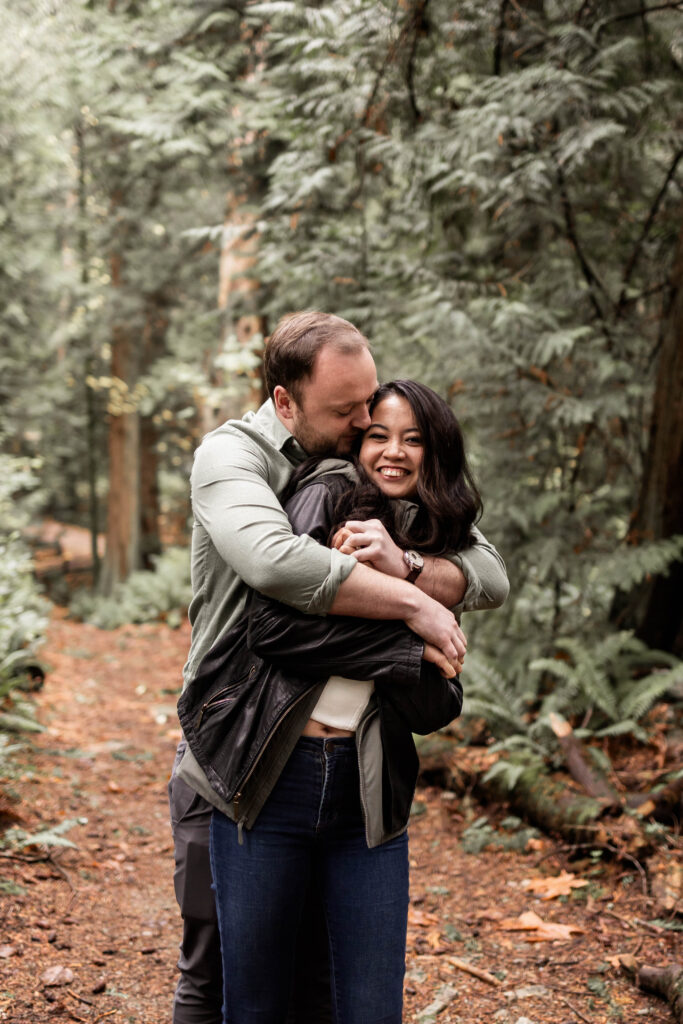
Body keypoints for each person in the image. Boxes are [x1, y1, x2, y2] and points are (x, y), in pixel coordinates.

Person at [169, 312, 509, 1024]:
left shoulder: (368, 474)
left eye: (371, 406)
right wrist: (411, 614)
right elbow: (274, 570)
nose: (365, 426)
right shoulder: (234, 457)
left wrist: (412, 565)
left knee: (324, 986)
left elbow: (487, 571)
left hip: (354, 771)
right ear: (286, 402)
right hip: (231, 742)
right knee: (216, 976)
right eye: (350, 414)